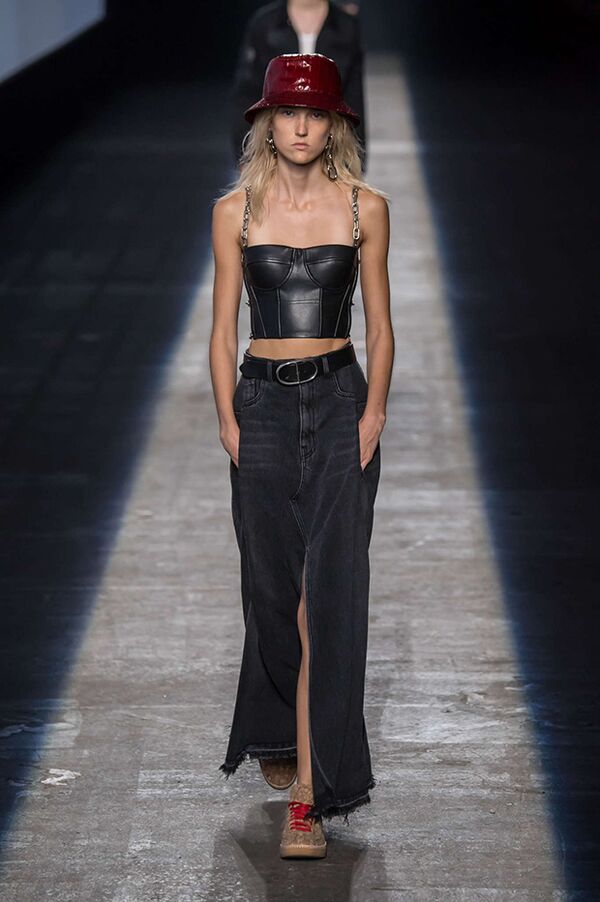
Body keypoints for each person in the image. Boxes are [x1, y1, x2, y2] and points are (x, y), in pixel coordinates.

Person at [210, 52, 393, 859]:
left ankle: (312, 799)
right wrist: (227, 418)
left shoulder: (364, 207)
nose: (301, 126)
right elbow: (221, 328)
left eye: (316, 114)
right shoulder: (234, 211)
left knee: (331, 597)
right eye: (288, 111)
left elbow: (382, 323)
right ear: (266, 121)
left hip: (342, 397)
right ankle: (278, 724)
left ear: (334, 126)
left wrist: (374, 411)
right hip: (261, 404)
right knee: (271, 590)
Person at [230, 1, 367, 166]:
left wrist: (355, 161)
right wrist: (245, 157)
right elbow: (247, 93)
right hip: (272, 152)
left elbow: (353, 98)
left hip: (330, 151)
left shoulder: (347, 27)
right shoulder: (264, 24)